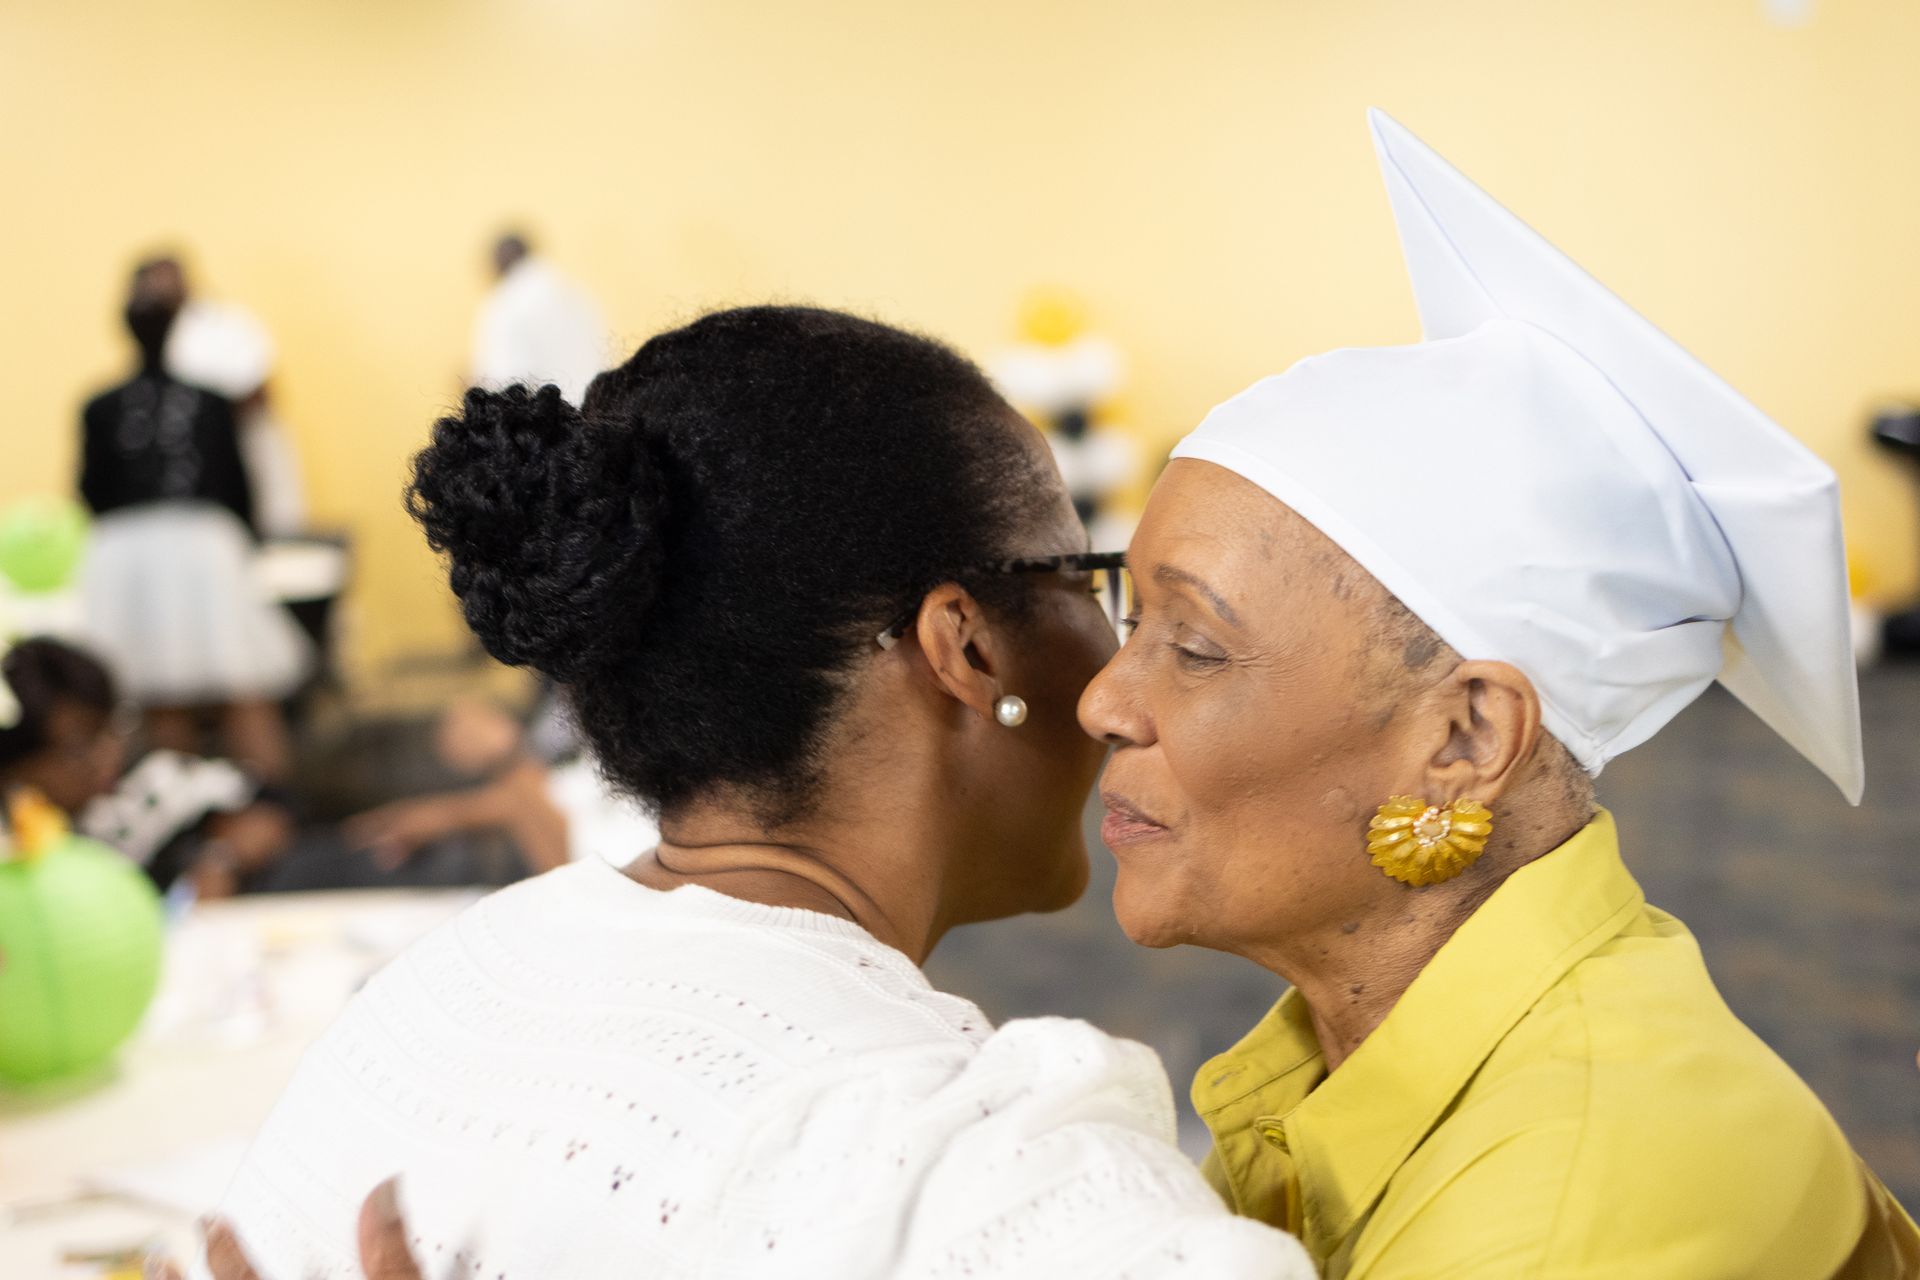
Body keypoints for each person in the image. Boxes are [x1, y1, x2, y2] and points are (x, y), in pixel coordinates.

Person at [199, 307, 1312, 1279]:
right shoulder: (968, 1167)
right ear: (965, 648)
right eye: (1084, 581)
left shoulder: (433, 993)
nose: (1117, 680)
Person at [1076, 111, 1918, 1276]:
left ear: (1466, 736)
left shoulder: (1566, 1216)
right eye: (1133, 621)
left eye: (1199, 645)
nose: (1105, 700)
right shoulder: (1367, 1059)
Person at [78, 259, 310, 781]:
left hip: (134, 554)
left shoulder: (102, 406)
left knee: (170, 698)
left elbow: (92, 489)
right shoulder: (206, 402)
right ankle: (256, 801)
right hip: (201, 547)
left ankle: (214, 802)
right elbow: (234, 482)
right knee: (237, 687)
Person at [0, 637, 292, 897]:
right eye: (77, 746)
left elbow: (270, 808)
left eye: (110, 729)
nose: (104, 754)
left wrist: (220, 858)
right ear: (17, 764)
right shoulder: (12, 840)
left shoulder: (148, 789)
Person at [469, 230, 607, 404]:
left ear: (498, 264)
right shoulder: (576, 294)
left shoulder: (505, 304)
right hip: (594, 413)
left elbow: (505, 384)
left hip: (545, 424)